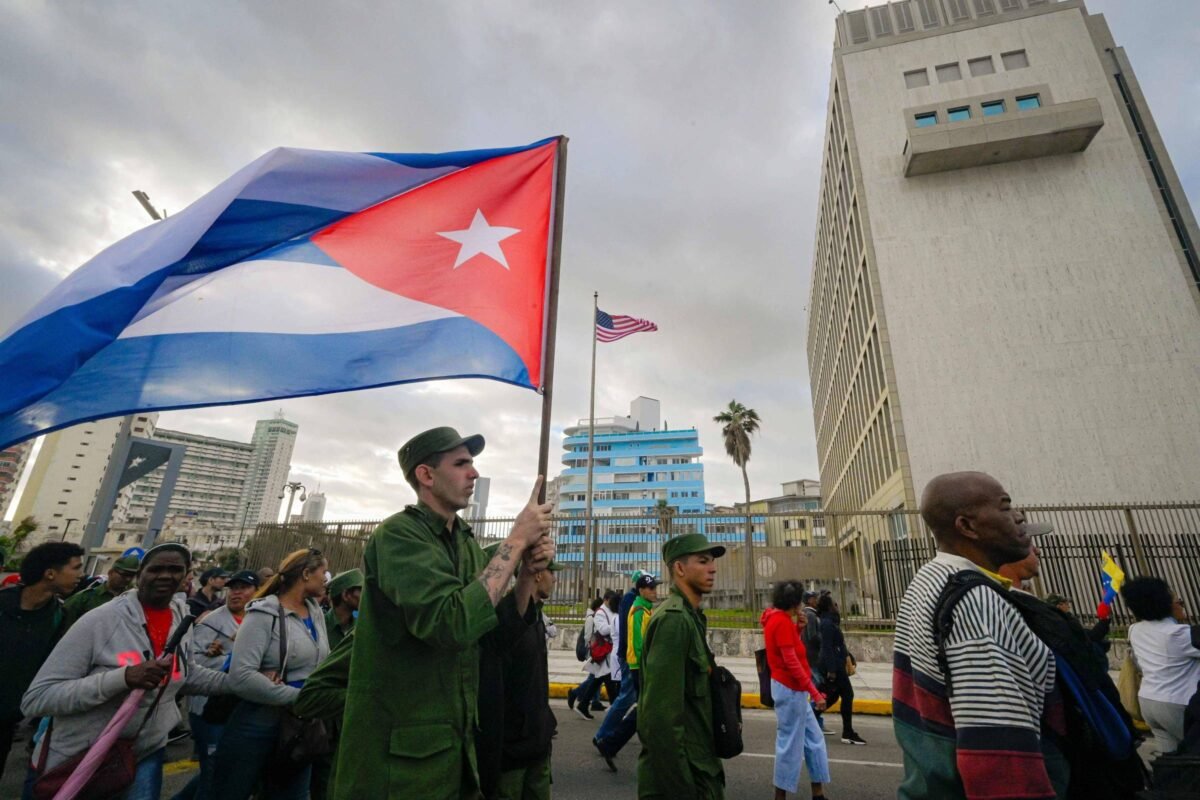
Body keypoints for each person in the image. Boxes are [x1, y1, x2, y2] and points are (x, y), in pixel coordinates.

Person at [332, 426, 554, 800]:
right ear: (426, 475)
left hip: (455, 755)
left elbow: (494, 635)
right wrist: (517, 539)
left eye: (473, 463)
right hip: (401, 769)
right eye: (461, 463)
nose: (474, 473)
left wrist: (528, 576)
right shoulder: (399, 536)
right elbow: (450, 624)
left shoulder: (466, 543)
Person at [892, 471, 1059, 800]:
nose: (1019, 516)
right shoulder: (975, 601)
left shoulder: (929, 580)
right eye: (1005, 507)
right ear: (967, 526)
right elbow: (1001, 760)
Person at [21, 542, 227, 800]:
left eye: (175, 569)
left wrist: (244, 682)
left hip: (144, 753)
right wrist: (123, 678)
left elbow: (185, 674)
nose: (165, 575)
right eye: (156, 569)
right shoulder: (101, 619)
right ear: (140, 575)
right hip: (79, 756)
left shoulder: (181, 620)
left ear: (186, 577)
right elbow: (38, 698)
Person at [996, 539, 1145, 799]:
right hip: (1076, 746)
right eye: (1026, 543)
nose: (1037, 550)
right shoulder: (1025, 613)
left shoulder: (1035, 610)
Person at [207, 548, 329, 799]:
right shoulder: (263, 614)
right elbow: (240, 677)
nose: (326, 579)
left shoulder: (315, 613)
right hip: (258, 723)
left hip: (300, 727)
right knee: (230, 791)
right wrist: (298, 696)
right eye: (322, 572)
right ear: (306, 574)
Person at [637, 533, 727, 800]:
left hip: (700, 768)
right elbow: (660, 719)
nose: (712, 568)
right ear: (679, 568)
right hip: (684, 780)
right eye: (703, 561)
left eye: (712, 561)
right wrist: (682, 789)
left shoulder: (692, 617)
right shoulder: (674, 620)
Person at [170, 569, 258, 800]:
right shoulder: (212, 621)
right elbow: (190, 663)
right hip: (207, 709)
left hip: (233, 708)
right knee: (213, 774)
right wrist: (221, 660)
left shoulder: (256, 621)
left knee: (217, 770)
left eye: (243, 588)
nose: (236, 593)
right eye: (233, 588)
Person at [0, 542, 83, 783]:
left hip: (7, 720)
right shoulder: (3, 604)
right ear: (50, 573)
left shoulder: (59, 616)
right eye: (75, 568)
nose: (81, 575)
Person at [496, 560, 563, 800]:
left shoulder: (536, 616)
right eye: (551, 573)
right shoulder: (507, 620)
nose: (554, 579)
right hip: (513, 750)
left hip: (538, 743)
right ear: (536, 575)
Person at [762, 579, 830, 800]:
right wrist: (815, 692)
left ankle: (818, 792)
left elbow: (790, 649)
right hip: (790, 689)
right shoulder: (780, 622)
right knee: (790, 744)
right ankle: (780, 795)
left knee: (814, 739)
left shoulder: (780, 620)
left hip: (794, 690)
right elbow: (791, 662)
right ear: (794, 603)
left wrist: (798, 629)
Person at [1123, 576, 1200, 755]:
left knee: (1172, 761)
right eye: (1178, 601)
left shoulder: (1135, 630)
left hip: (1149, 703)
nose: (1181, 604)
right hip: (1178, 704)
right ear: (1164, 603)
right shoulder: (1178, 634)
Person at [594, 573, 659, 771]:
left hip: (636, 663)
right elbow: (638, 642)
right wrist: (643, 665)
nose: (655, 592)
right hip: (637, 665)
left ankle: (610, 742)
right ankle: (607, 740)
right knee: (636, 704)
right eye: (651, 588)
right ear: (641, 589)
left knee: (642, 707)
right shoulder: (637, 607)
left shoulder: (644, 607)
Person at [816, 595, 865, 745]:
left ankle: (807, 719)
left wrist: (848, 656)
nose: (837, 605)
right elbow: (827, 648)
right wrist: (832, 670)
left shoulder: (831, 622)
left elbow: (838, 644)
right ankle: (848, 732)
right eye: (834, 603)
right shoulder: (826, 624)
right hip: (834, 667)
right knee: (847, 695)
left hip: (837, 663)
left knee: (832, 697)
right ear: (829, 606)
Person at [63, 554, 140, 625]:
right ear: (110, 572)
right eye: (124, 574)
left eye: (132, 576)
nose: (128, 579)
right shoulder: (85, 598)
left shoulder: (132, 600)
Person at [568, 597, 609, 720]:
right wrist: (592, 652)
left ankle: (594, 702)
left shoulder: (596, 617)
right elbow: (588, 637)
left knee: (596, 676)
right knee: (596, 677)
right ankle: (575, 693)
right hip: (594, 651)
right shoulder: (591, 618)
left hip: (598, 651)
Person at [800, 591, 826, 733]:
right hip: (812, 656)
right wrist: (825, 639)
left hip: (812, 655)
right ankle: (812, 719)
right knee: (817, 686)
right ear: (809, 600)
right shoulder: (809, 614)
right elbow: (812, 636)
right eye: (814, 598)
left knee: (817, 687)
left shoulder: (811, 613)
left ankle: (816, 721)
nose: (816, 600)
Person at [323, 568, 363, 650]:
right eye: (362, 591)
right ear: (346, 595)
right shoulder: (321, 626)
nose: (365, 596)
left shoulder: (361, 625)